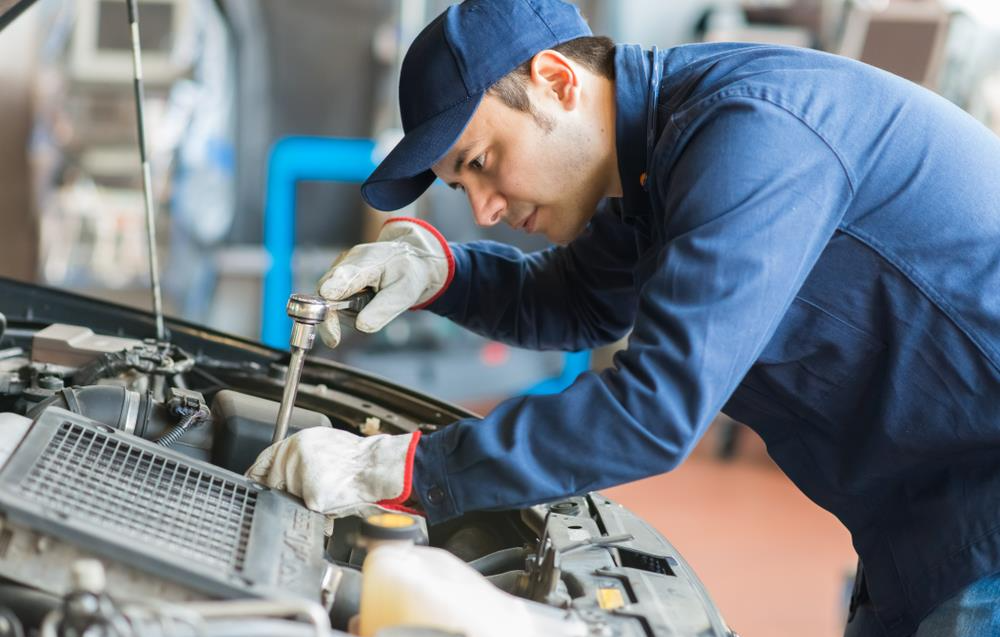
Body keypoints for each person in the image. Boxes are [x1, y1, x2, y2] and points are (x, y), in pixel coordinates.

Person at [245, 1, 1000, 634]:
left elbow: (655, 409)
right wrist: (443, 270)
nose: (485, 208)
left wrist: (406, 468)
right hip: (915, 520)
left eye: (480, 162)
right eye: (458, 186)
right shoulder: (650, 167)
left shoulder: (749, 134)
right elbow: (576, 301)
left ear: (554, 81)